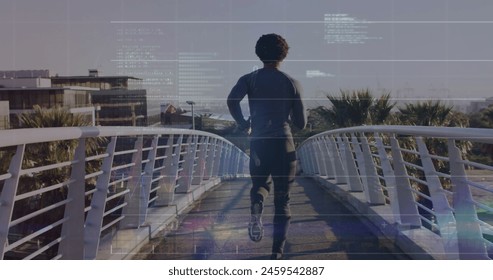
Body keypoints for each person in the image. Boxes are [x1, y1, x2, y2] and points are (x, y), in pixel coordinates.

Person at [227, 33, 307, 260]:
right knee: (283, 200)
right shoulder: (292, 83)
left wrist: (243, 123)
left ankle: (257, 204)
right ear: (284, 55)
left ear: (258, 53)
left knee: (260, 185)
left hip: (259, 143)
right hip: (283, 144)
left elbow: (232, 100)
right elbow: (301, 124)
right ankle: (277, 254)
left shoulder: (249, 79)